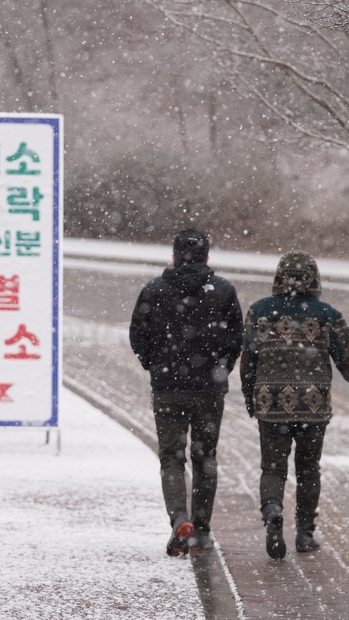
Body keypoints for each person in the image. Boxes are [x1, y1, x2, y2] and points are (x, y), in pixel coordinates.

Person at [241, 251, 349, 559]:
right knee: (309, 469)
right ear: (315, 279)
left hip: (271, 404)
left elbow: (248, 361)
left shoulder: (259, 311)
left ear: (279, 277)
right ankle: (305, 533)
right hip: (313, 406)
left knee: (272, 468)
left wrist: (249, 396)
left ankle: (272, 513)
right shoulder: (327, 315)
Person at [129, 229, 244, 556]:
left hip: (168, 389)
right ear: (207, 257)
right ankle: (202, 531)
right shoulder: (223, 291)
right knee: (205, 457)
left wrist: (155, 365)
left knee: (171, 458)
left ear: (174, 256)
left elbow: (137, 335)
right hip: (209, 390)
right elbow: (236, 338)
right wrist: (220, 368)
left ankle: (180, 518)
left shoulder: (154, 290)